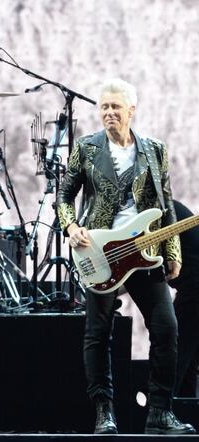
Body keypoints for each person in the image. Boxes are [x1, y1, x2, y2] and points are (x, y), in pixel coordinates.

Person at [57, 78, 194, 434]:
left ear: (131, 111)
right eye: (104, 107)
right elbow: (64, 196)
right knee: (98, 332)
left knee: (166, 328)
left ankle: (160, 412)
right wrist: (71, 227)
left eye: (115, 107)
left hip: (145, 254)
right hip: (100, 251)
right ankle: (104, 411)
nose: (108, 113)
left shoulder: (155, 150)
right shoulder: (86, 148)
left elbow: (165, 206)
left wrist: (172, 251)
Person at [170, 200, 199, 397]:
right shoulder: (171, 207)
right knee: (188, 357)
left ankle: (167, 410)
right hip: (192, 287)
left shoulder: (157, 215)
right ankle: (184, 410)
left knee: (175, 351)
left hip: (194, 287)